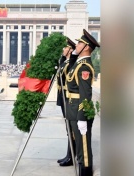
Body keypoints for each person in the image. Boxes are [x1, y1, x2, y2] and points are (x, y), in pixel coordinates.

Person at [65, 29, 100, 176]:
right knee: (79, 147)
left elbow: (85, 95)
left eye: (79, 43)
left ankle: (85, 173)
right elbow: (68, 71)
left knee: (83, 149)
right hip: (72, 109)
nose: (76, 45)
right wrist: (73, 55)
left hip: (79, 111)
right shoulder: (79, 63)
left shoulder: (84, 67)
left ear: (86, 47)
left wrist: (82, 117)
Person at [56, 37, 77, 166]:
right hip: (62, 96)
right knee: (68, 128)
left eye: (65, 47)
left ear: (70, 49)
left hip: (68, 97)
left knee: (71, 129)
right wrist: (63, 57)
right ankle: (68, 155)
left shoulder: (71, 63)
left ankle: (71, 157)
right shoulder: (66, 62)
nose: (63, 49)